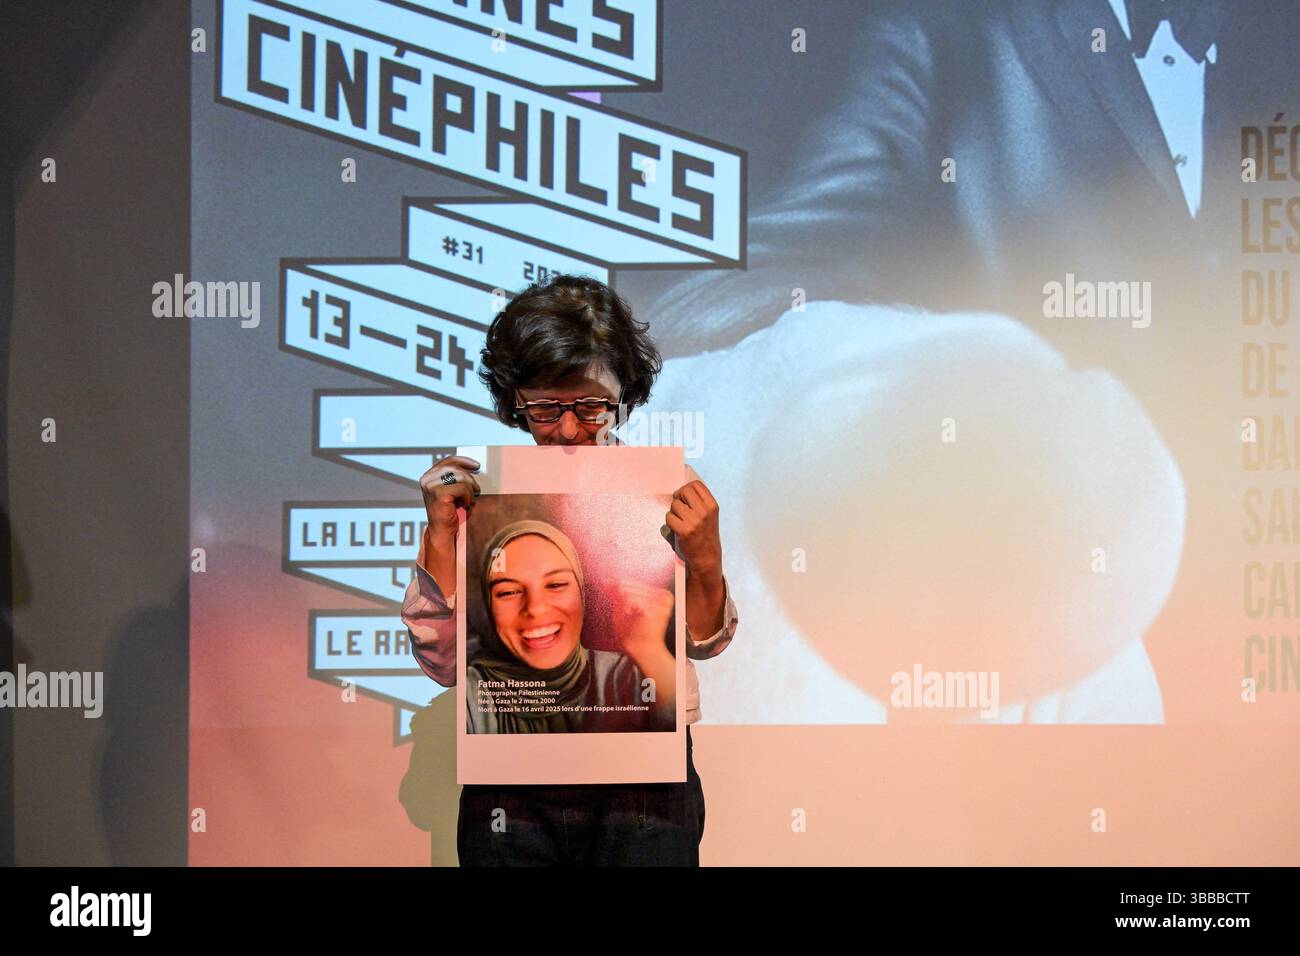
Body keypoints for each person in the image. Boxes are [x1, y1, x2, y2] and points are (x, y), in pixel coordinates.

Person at [401, 273, 739, 866]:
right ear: (514, 402)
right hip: (512, 778)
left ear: (624, 393)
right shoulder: (482, 498)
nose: (566, 428)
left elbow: (703, 644)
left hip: (644, 777)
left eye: (590, 406)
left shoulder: (666, 489)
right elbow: (446, 667)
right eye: (543, 408)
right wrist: (438, 538)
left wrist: (706, 562)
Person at [467, 518, 677, 734]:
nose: (535, 608)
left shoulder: (628, 675)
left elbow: (674, 742)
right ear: (488, 605)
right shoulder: (471, 692)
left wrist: (650, 651)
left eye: (556, 585)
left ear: (581, 594)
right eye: (508, 592)